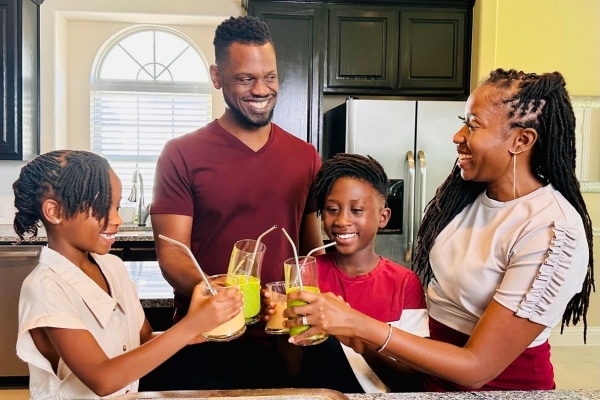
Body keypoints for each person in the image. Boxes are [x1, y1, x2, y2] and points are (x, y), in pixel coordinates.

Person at [284, 68, 594, 391]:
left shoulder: (552, 230)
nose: (458, 135)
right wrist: (355, 333)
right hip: (435, 386)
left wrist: (357, 323)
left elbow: (477, 368)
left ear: (521, 140)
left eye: (473, 125)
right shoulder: (467, 198)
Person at [150, 15, 323, 389]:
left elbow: (311, 254)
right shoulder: (181, 154)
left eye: (270, 77)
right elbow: (172, 255)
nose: (261, 89)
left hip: (285, 340)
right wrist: (227, 297)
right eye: (245, 78)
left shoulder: (306, 156)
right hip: (205, 337)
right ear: (217, 77)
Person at [13, 150, 243, 399]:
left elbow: (141, 339)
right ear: (54, 212)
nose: (117, 219)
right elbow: (102, 378)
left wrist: (201, 328)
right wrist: (190, 326)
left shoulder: (113, 267)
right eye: (103, 207)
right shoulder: (44, 287)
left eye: (117, 206)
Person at [274, 153, 429, 393]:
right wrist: (281, 320)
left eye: (357, 210)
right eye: (332, 209)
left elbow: (410, 381)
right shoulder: (306, 276)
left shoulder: (404, 283)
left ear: (383, 217)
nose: (342, 220)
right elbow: (292, 370)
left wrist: (359, 338)